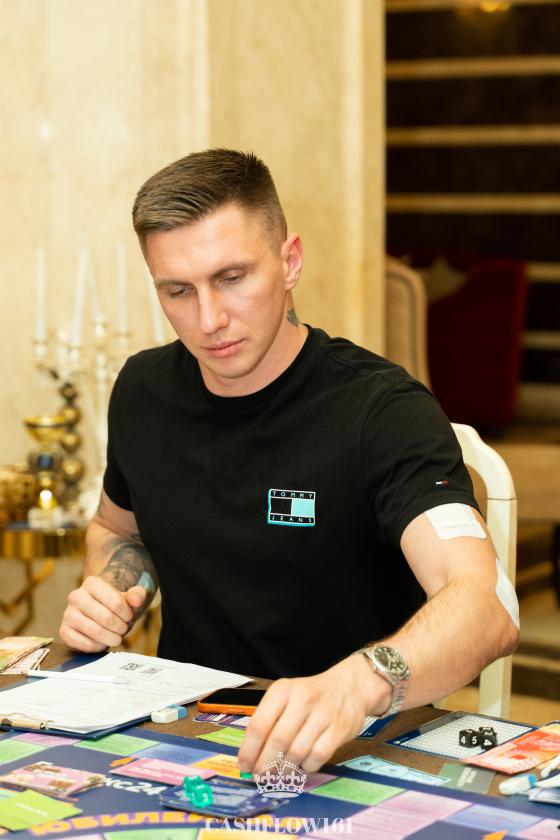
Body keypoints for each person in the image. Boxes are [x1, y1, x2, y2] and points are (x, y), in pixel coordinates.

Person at [59, 148, 519, 775]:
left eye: (232, 277)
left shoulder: (381, 410)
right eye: (178, 290)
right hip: (180, 736)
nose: (209, 320)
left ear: (290, 261)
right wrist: (114, 591)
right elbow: (119, 528)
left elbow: (486, 604)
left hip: (355, 747)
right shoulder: (143, 390)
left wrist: (357, 684)